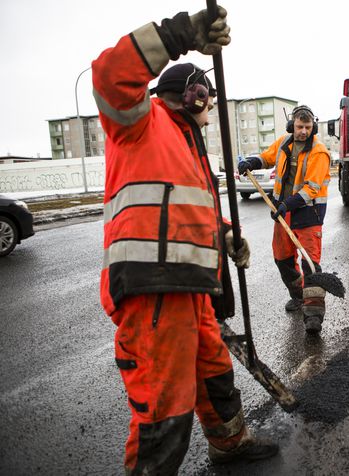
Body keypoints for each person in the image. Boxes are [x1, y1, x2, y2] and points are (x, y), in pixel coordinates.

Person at [92, 6, 278, 473]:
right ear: (194, 96)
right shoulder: (142, 122)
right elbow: (110, 74)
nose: (211, 111)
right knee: (165, 401)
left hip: (190, 286)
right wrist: (181, 34)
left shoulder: (187, 144)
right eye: (208, 101)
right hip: (155, 286)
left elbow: (188, 213)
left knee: (214, 370)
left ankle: (229, 443)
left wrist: (226, 236)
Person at [238, 105, 331, 334]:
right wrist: (251, 162)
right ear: (292, 125)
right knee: (283, 259)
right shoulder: (284, 142)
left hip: (308, 214)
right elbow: (267, 157)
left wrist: (286, 205)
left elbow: (311, 189)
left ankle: (313, 315)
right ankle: (299, 296)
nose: (303, 132)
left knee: (311, 265)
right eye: (299, 127)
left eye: (308, 127)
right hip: (283, 213)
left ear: (313, 127)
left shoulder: (319, 152)